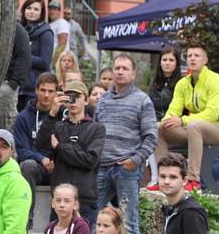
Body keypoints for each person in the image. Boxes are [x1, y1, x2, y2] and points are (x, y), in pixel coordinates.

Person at [155, 42, 219, 192]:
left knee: (193, 125)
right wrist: (166, 121)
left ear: (205, 60)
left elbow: (212, 114)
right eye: (189, 56)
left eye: (197, 55)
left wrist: (182, 120)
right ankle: (165, 176)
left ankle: (193, 179)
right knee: (158, 128)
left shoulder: (216, 80)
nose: (192, 59)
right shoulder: (183, 83)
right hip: (194, 129)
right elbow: (173, 110)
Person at [95, 53, 157, 234]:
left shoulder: (143, 100)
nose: (120, 72)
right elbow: (96, 132)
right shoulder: (103, 100)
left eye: (125, 68)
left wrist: (135, 160)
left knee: (128, 222)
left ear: (133, 74)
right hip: (102, 167)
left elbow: (152, 136)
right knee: (92, 216)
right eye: (117, 68)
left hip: (127, 169)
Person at [36, 80, 106, 226]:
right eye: (69, 97)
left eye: (76, 96)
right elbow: (40, 144)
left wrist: (60, 147)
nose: (72, 101)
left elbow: (90, 160)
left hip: (84, 199)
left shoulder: (97, 128)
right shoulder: (59, 125)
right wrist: (52, 113)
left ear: (86, 100)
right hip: (60, 199)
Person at [16, 72, 59, 230]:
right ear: (36, 90)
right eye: (43, 90)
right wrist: (42, 159)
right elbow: (22, 150)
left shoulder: (62, 115)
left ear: (56, 93)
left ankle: (59, 225)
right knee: (27, 165)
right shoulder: (23, 117)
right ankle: (27, 221)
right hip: (36, 167)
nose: (46, 95)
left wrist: (55, 160)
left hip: (58, 167)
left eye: (51, 91)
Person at [145, 48, 182, 190]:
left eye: (171, 60)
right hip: (155, 123)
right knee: (148, 131)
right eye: (164, 60)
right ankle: (155, 177)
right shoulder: (155, 83)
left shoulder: (181, 83)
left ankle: (159, 177)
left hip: (173, 123)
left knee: (153, 130)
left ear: (176, 63)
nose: (167, 63)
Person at [0, 20, 31, 133]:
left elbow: (24, 58)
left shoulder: (18, 30)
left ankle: (10, 150)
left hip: (6, 84)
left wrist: (13, 83)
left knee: (7, 123)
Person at [157, 153, 208, 234]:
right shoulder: (170, 209)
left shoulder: (191, 213)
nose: (166, 182)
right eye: (162, 176)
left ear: (184, 181)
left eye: (173, 177)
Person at [18, 0, 54, 111]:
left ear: (41, 13)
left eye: (36, 9)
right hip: (18, 86)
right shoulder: (20, 29)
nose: (31, 12)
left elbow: (45, 62)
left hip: (34, 88)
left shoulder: (46, 33)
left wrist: (23, 57)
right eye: (29, 8)